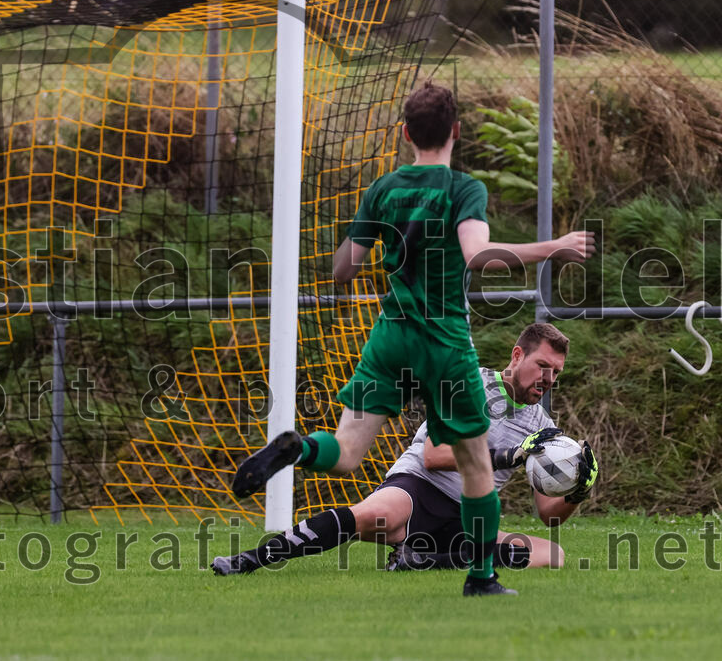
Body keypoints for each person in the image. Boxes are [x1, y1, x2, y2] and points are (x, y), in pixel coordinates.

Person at [231, 82, 596, 595]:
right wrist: (553, 247)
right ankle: (481, 581)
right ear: (456, 132)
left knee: (345, 451)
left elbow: (343, 269)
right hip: (443, 341)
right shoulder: (464, 189)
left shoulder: (385, 189)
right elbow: (477, 255)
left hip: (390, 336)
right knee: (475, 466)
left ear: (405, 134)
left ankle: (296, 449)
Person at [214, 323, 598, 576]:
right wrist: (510, 455)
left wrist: (577, 488)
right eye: (542, 365)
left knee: (552, 554)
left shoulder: (545, 430)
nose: (548, 379)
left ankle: (425, 559)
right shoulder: (467, 385)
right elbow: (433, 457)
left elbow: (549, 516)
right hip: (418, 488)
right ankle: (250, 560)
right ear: (517, 355)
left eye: (556, 373)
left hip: (468, 515)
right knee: (371, 515)